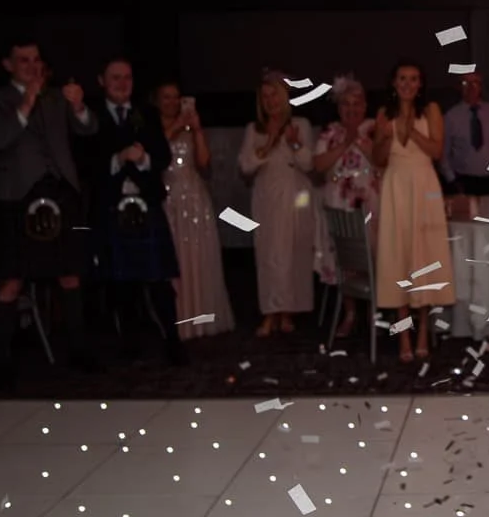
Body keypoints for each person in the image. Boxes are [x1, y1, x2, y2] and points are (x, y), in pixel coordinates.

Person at [0, 39, 98, 388]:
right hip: (15, 196)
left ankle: (79, 349)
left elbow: (88, 128)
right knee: (11, 279)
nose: (32, 66)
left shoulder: (57, 96)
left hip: (60, 193)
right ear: (8, 64)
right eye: (23, 60)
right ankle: (2, 358)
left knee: (70, 272)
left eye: (36, 60)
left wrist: (79, 108)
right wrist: (26, 102)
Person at [81, 58, 185, 365]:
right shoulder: (91, 116)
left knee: (160, 281)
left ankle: (172, 340)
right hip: (112, 207)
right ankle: (130, 343)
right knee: (120, 281)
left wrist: (141, 161)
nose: (122, 83)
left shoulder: (148, 113)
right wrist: (119, 157)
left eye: (127, 78)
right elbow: (86, 161)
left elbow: (163, 156)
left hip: (146, 203)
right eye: (115, 78)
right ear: (102, 80)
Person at [372, 60, 455, 361]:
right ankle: (403, 335)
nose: (408, 84)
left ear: (420, 84)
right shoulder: (383, 114)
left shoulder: (430, 110)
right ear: (394, 83)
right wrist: (384, 135)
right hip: (395, 186)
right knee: (400, 258)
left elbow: (436, 151)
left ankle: (422, 334)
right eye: (402, 78)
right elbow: (379, 159)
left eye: (414, 79)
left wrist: (409, 129)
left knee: (424, 256)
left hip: (424, 185)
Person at [238, 70, 317, 337]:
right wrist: (269, 142)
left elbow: (310, 164)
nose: (270, 101)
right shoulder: (254, 129)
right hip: (267, 199)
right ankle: (270, 312)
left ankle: (289, 312)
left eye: (275, 95)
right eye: (265, 96)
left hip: (296, 196)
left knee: (293, 254)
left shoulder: (301, 124)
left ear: (285, 96)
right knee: (270, 256)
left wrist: (294, 144)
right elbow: (245, 167)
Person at [156, 82, 235, 340]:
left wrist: (197, 129)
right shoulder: (153, 128)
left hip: (194, 197)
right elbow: (155, 153)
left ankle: (202, 316)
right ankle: (176, 319)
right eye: (166, 98)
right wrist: (176, 127)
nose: (172, 102)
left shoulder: (190, 128)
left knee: (199, 254)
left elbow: (204, 163)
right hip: (168, 197)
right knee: (175, 256)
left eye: (176, 98)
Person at [313, 76, 381, 339]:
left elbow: (382, 162)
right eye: (346, 105)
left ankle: (373, 312)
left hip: (370, 203)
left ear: (365, 106)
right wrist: (345, 141)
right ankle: (350, 312)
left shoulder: (375, 128)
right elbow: (318, 166)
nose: (351, 109)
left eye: (356, 104)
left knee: (372, 256)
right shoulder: (330, 132)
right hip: (339, 205)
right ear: (339, 108)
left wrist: (362, 141)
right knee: (345, 259)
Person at [441, 71, 489, 197]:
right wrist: (452, 180)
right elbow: (443, 153)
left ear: (481, 87)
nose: (471, 87)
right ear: (459, 87)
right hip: (464, 181)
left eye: (475, 83)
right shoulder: (451, 116)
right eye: (466, 83)